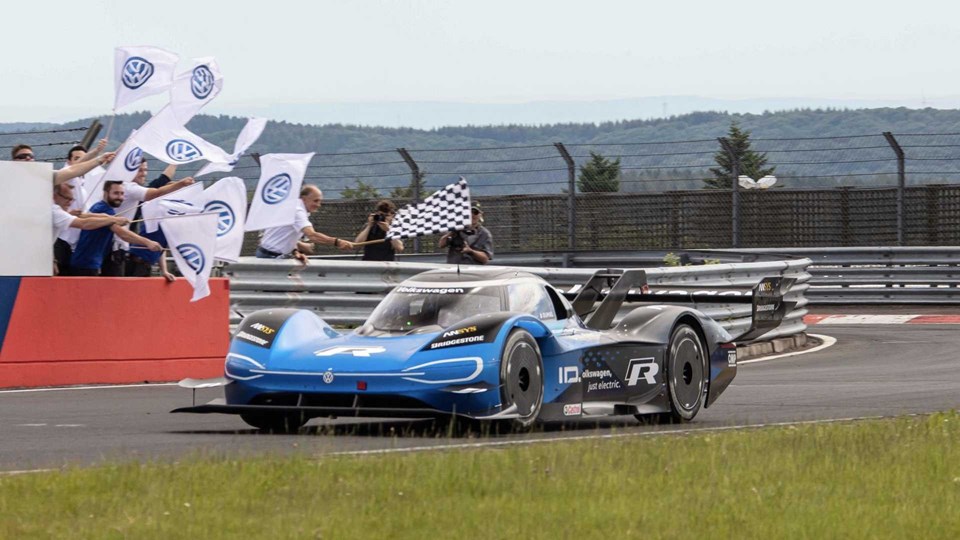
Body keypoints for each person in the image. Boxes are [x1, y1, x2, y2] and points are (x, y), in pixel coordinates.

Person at [103, 160, 194, 277]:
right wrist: (181, 184)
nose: (144, 173)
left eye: (145, 170)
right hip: (127, 254)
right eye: (140, 170)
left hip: (124, 249)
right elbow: (156, 191)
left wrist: (164, 270)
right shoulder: (134, 192)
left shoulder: (165, 214)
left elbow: (161, 246)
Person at [70, 181, 162, 276]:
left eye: (122, 194)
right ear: (105, 193)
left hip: (88, 262)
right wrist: (148, 243)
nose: (120, 197)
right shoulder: (104, 209)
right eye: (116, 193)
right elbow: (123, 234)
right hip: (86, 263)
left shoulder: (100, 207)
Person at [256, 185, 355, 260]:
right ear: (304, 199)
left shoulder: (296, 208)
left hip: (272, 255)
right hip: (271, 257)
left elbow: (287, 235)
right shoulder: (297, 212)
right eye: (315, 201)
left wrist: (295, 252)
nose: (318, 205)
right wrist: (337, 242)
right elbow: (312, 236)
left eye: (320, 201)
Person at [56, 141, 110, 275]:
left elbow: (84, 215)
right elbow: (76, 168)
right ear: (68, 161)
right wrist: (96, 153)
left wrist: (107, 218)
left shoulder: (83, 185)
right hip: (62, 239)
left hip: (77, 243)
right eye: (76, 158)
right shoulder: (66, 178)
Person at [51, 183, 129, 275]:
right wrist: (113, 219)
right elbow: (84, 223)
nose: (70, 203)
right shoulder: (55, 211)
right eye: (67, 198)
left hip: (79, 257)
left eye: (72, 199)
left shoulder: (97, 206)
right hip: (84, 261)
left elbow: (84, 216)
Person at [10, 144, 116, 185]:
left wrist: (100, 159)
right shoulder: (7, 178)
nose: (28, 158)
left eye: (31, 156)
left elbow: (72, 170)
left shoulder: (43, 177)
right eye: (23, 156)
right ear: (14, 160)